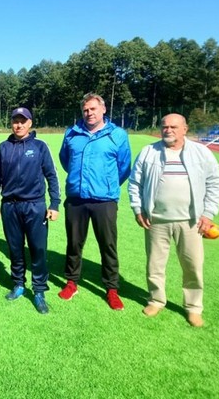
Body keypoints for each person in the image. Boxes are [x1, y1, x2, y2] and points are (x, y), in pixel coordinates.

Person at [128, 113, 219, 327]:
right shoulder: (149, 152)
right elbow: (135, 183)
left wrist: (208, 214)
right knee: (155, 264)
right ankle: (156, 300)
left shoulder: (201, 153)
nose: (168, 130)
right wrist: (138, 209)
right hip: (156, 220)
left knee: (192, 266)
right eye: (164, 126)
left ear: (184, 129)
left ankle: (193, 307)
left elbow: (214, 183)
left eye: (173, 127)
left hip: (191, 222)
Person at [58, 93, 131, 310]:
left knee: (108, 245)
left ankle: (111, 288)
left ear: (103, 109)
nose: (89, 113)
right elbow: (65, 160)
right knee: (74, 243)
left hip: (104, 200)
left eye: (93, 109)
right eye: (85, 110)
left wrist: (106, 183)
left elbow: (124, 167)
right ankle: (72, 282)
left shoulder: (117, 135)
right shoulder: (72, 133)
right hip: (76, 198)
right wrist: (78, 179)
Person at [0, 107, 60, 314]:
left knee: (38, 249)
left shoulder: (40, 146)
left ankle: (39, 290)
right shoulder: (3, 147)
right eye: (15, 121)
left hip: (35, 206)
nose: (18, 125)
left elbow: (52, 175)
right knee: (15, 248)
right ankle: (18, 283)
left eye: (23, 121)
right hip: (10, 206)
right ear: (11, 123)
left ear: (30, 123)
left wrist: (54, 204)